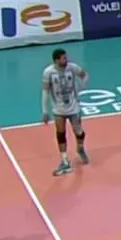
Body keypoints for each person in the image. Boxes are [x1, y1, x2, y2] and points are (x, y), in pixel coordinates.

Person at [42, 48, 89, 176]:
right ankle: (64, 160)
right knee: (61, 133)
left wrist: (81, 87)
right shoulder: (48, 72)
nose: (66, 60)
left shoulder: (72, 68)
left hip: (74, 107)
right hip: (59, 109)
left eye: (66, 57)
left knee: (79, 131)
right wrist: (45, 111)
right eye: (63, 58)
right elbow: (45, 91)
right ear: (56, 60)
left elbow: (84, 75)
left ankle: (80, 148)